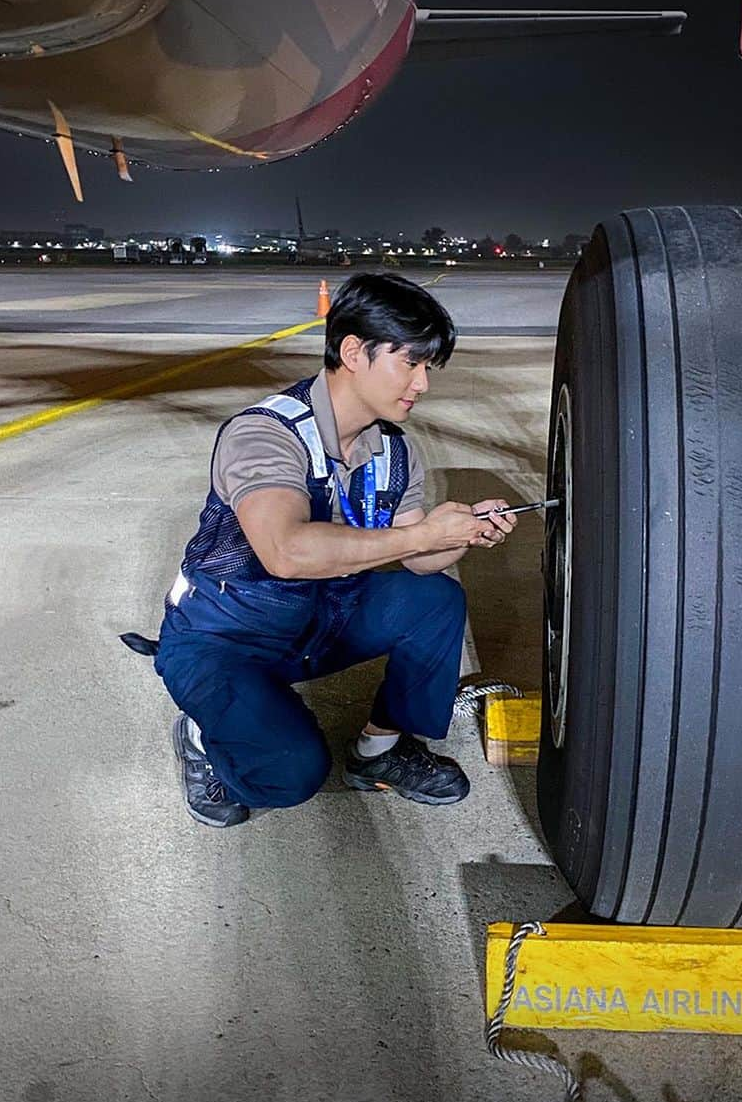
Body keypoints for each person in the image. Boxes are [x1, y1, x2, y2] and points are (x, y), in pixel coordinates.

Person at [130, 272, 517, 827]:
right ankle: (200, 735)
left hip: (321, 620)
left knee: (434, 598)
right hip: (226, 637)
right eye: (411, 362)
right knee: (289, 775)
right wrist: (421, 535)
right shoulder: (266, 434)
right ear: (354, 352)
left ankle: (379, 752)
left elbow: (416, 556)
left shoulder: (392, 449)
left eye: (428, 367)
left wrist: (456, 535)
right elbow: (285, 551)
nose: (423, 383)